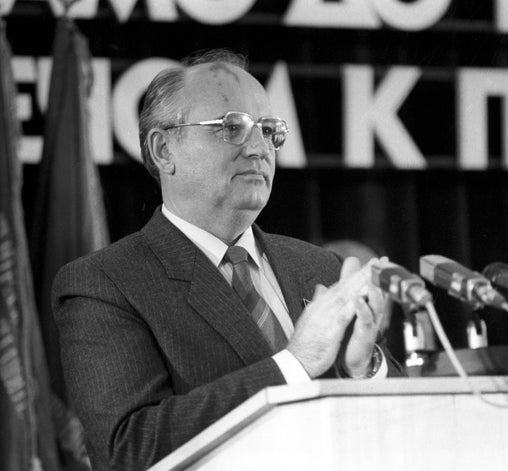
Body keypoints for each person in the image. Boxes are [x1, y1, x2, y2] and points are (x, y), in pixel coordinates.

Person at [52, 49, 403, 471]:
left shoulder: (320, 268)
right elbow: (129, 449)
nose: (259, 148)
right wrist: (295, 363)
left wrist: (365, 368)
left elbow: (398, 433)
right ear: (164, 150)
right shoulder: (105, 284)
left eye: (269, 130)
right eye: (231, 127)